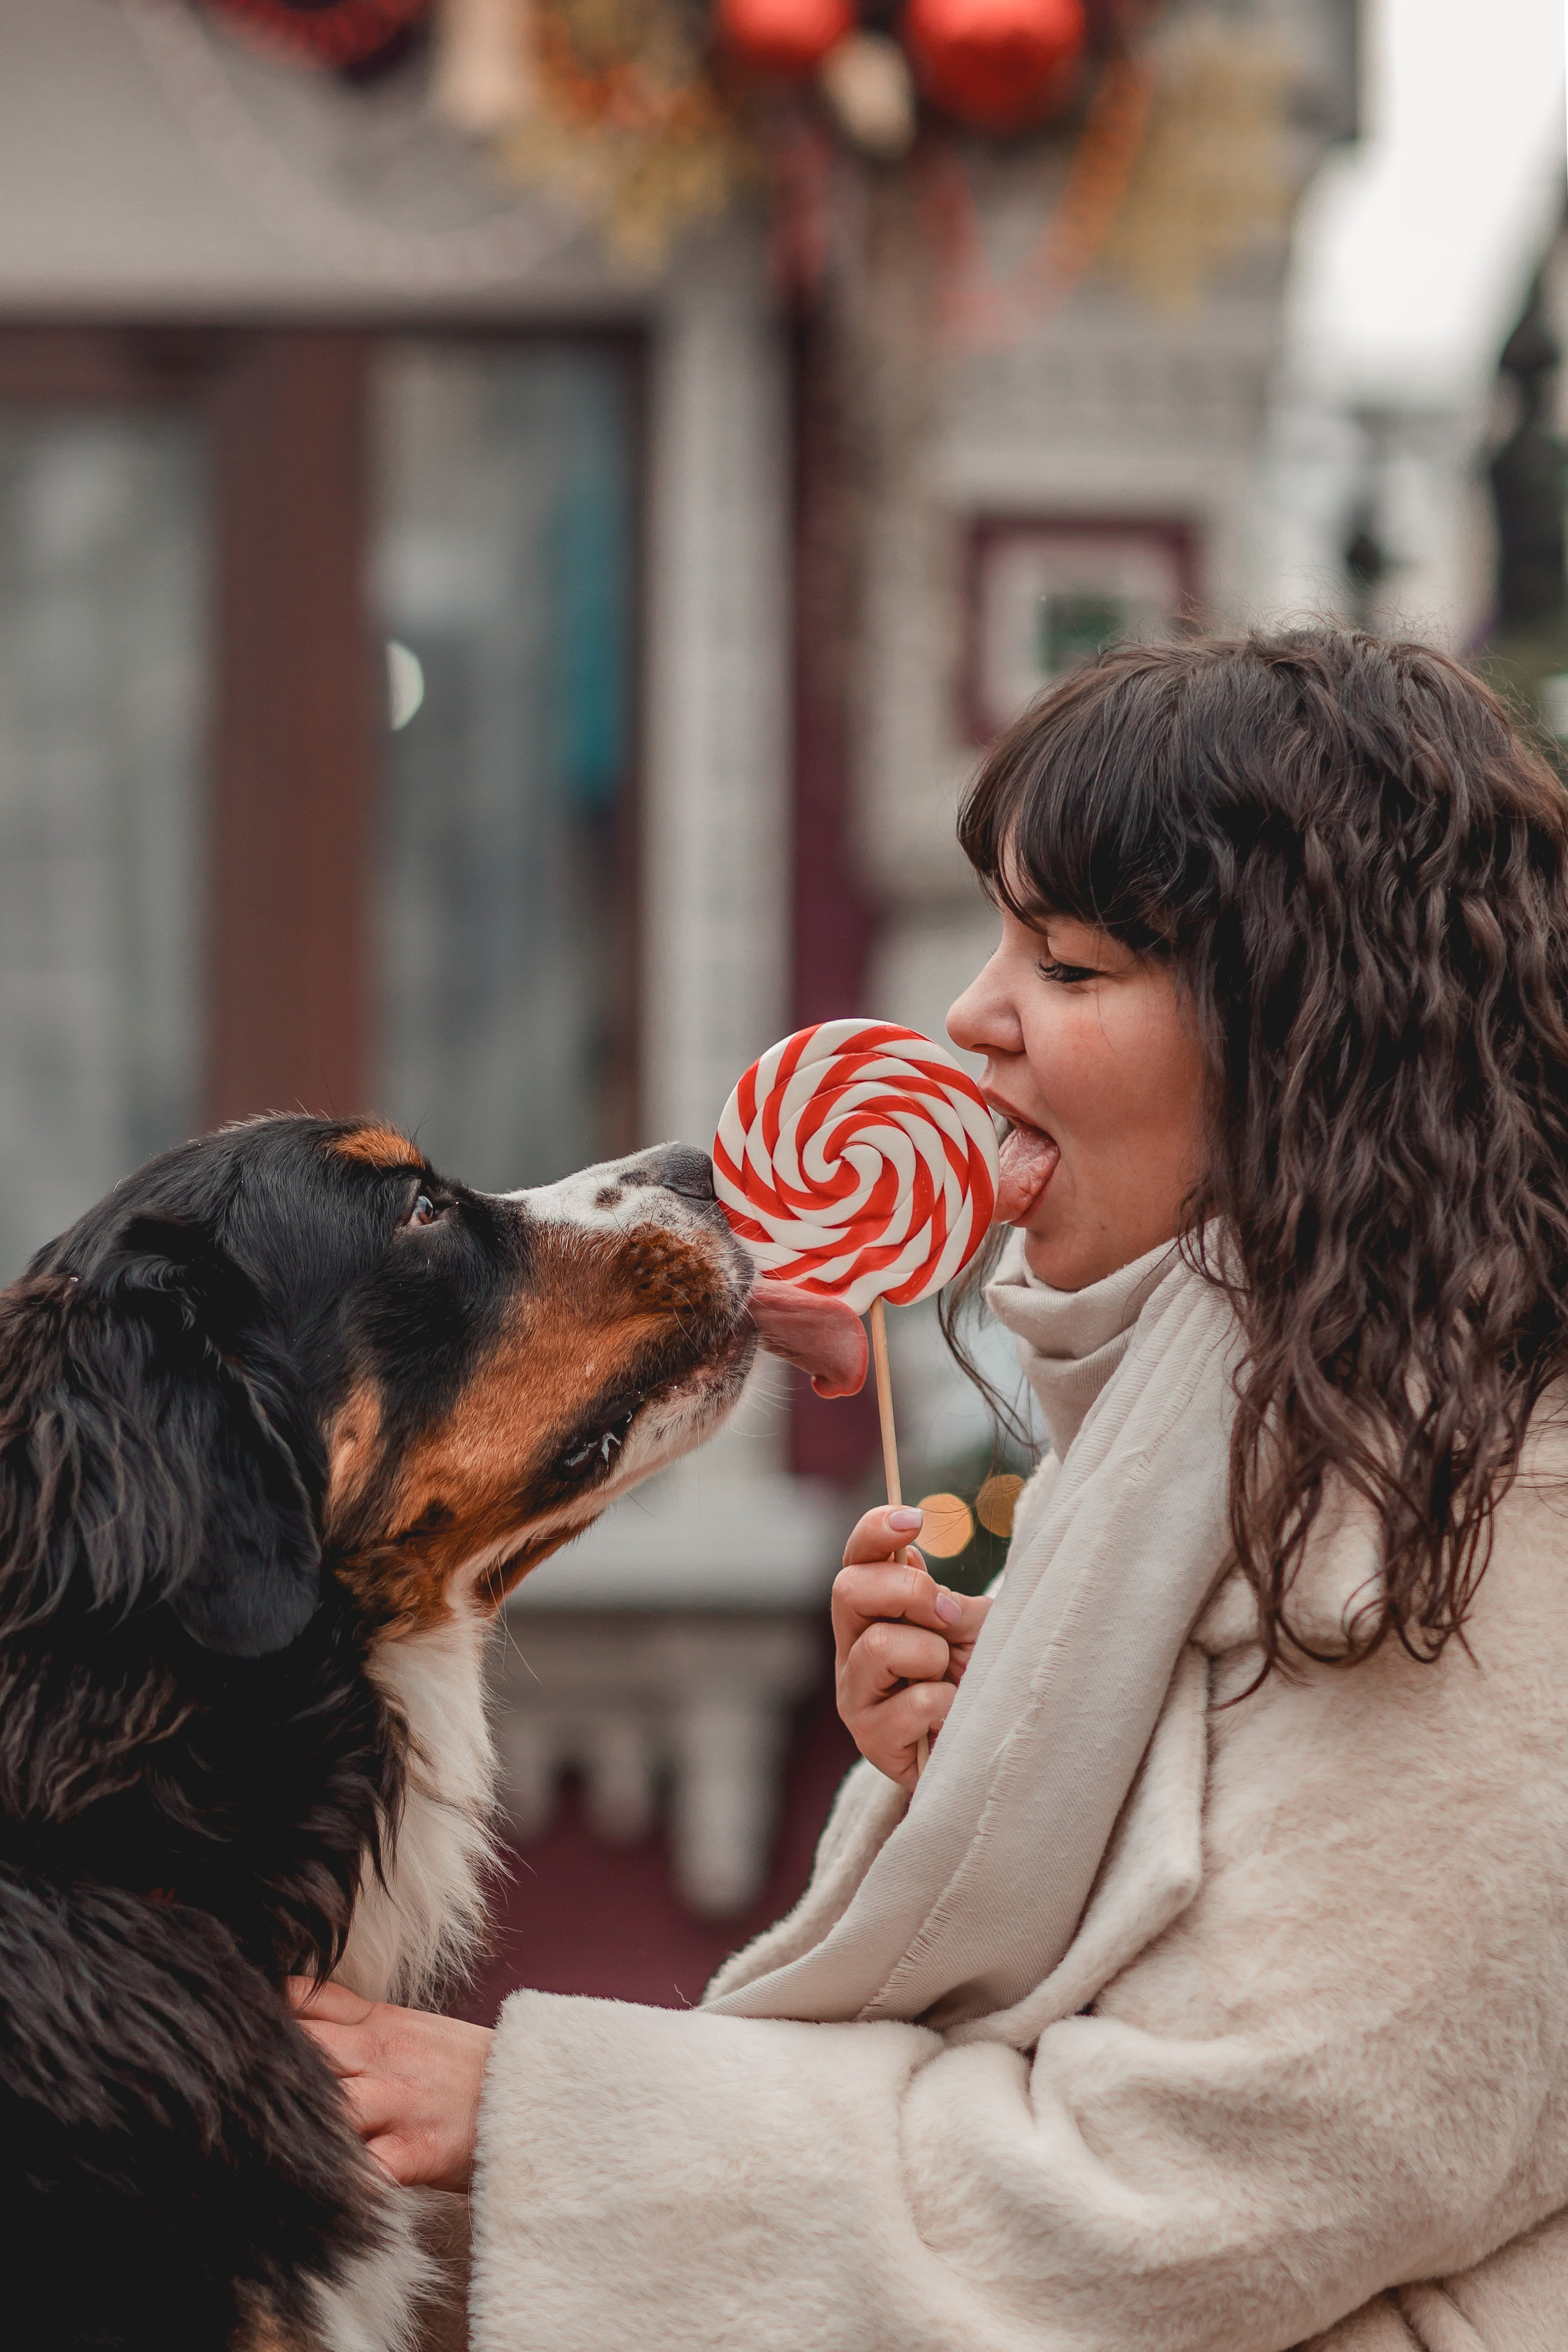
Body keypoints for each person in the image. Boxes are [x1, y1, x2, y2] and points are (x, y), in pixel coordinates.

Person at [298, 628, 1568, 2350]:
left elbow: (1208, 2191)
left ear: (1304, 1035)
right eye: (996, 939)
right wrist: (975, 1776)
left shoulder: (1481, 1524)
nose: (974, 1016)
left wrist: (532, 2113)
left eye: (1071, 963)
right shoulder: (1228, 1440)